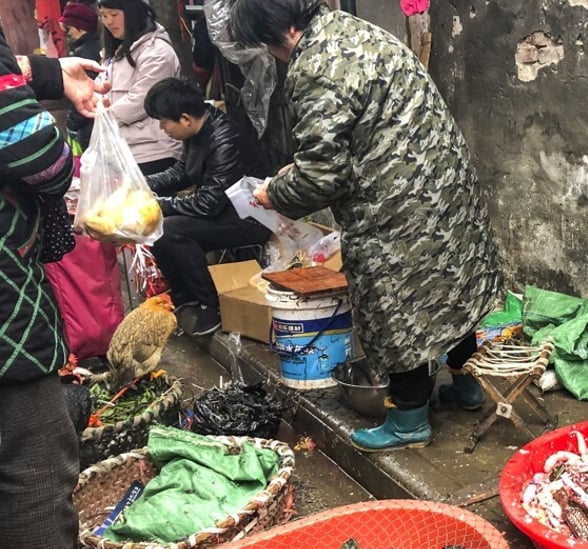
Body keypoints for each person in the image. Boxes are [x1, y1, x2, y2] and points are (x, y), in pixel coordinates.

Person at [229, 0, 502, 451]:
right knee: (450, 285)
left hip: (397, 203)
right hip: (443, 184)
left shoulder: (314, 64)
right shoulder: (350, 31)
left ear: (274, 33)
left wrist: (273, 194)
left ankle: (410, 420)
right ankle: (467, 386)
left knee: (399, 305)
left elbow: (322, 176)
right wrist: (300, 168)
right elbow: (350, 134)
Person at [0, 26, 108, 549]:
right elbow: (37, 154)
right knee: (34, 476)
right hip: (5, 320)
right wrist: (69, 147)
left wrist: (45, 74)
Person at [143, 77, 273, 335]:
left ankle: (210, 306)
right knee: (158, 227)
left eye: (164, 121)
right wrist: (141, 184)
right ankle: (184, 299)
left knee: (171, 229)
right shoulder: (198, 131)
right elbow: (182, 172)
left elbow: (207, 205)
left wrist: (159, 204)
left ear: (185, 119)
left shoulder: (224, 141)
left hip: (250, 219)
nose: (162, 128)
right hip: (222, 210)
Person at [97, 0, 181, 175]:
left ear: (134, 13)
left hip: (153, 152)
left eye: (114, 15)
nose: (109, 22)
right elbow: (98, 88)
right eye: (104, 16)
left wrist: (101, 115)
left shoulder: (157, 52)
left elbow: (141, 100)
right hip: (121, 149)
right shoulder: (115, 52)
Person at [60, 1, 101, 149]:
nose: (67, 33)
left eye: (69, 28)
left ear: (81, 28)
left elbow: (84, 93)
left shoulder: (85, 54)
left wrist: (72, 123)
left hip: (89, 121)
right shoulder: (92, 48)